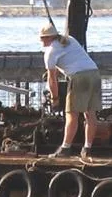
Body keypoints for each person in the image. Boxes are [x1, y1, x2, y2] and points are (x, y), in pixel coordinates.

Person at [39, 22, 101, 159]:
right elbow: (72, 58)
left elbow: (52, 79)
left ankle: (65, 148)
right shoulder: (70, 39)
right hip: (94, 74)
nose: (41, 41)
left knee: (72, 114)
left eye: (42, 38)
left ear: (48, 38)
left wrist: (55, 99)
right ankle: (87, 149)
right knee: (90, 114)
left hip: (79, 78)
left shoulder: (50, 52)